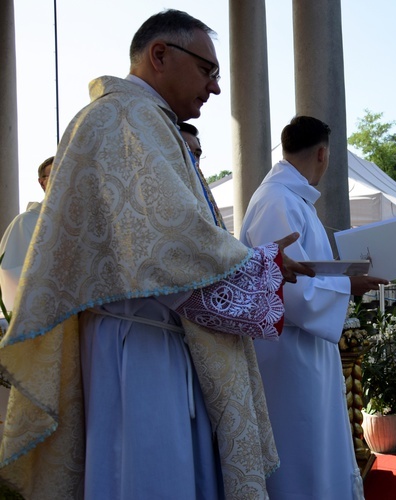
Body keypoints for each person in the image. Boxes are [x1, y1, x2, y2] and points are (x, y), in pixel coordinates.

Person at [0, 10, 314, 499]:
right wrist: (261, 267)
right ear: (160, 55)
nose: (214, 88)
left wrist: (253, 264)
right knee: (150, 473)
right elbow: (171, 247)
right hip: (142, 347)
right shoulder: (127, 117)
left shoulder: (139, 119)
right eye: (207, 70)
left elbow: (176, 237)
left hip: (149, 334)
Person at [240, 115, 389, 500]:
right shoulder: (277, 201)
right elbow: (289, 291)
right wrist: (347, 284)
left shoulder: (292, 199)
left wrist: (342, 280)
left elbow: (302, 272)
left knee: (316, 449)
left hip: (304, 352)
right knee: (301, 453)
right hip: (288, 357)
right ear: (323, 154)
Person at [0, 156, 53, 317]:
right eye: (55, 174)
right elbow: (11, 273)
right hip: (43, 316)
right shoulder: (27, 223)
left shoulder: (86, 223)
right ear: (42, 182)